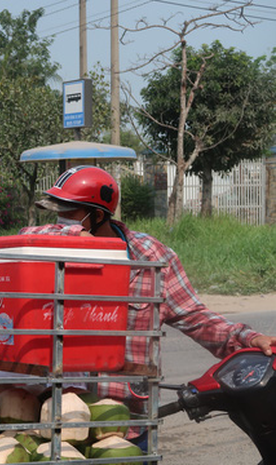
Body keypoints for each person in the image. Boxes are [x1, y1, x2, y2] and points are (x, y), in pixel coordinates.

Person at [21, 165, 276, 445]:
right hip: (58, 418)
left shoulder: (152, 258)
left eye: (68, 213)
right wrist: (74, 238)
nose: (60, 220)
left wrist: (249, 339)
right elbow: (26, 235)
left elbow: (197, 318)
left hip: (126, 421)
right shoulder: (47, 250)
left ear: (96, 215)